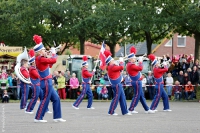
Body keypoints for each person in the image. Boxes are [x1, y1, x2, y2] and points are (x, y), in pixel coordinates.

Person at [33, 34, 66, 123]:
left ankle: (57, 117)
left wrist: (50, 54)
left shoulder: (42, 58)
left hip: (47, 82)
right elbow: (54, 60)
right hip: (46, 82)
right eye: (43, 50)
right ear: (40, 51)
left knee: (56, 98)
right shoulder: (40, 58)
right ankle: (38, 117)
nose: (45, 51)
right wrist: (54, 53)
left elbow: (50, 64)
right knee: (45, 100)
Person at [126, 47, 154, 114]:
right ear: (130, 59)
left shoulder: (131, 64)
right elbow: (140, 68)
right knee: (137, 96)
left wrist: (138, 61)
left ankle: (147, 109)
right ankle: (131, 109)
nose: (135, 59)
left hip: (137, 81)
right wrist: (140, 61)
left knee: (141, 96)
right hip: (136, 82)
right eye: (134, 58)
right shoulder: (131, 65)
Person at [104, 50, 131, 116]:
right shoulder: (111, 67)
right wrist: (121, 62)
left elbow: (120, 69)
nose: (114, 61)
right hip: (116, 84)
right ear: (110, 62)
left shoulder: (112, 66)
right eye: (112, 60)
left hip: (118, 84)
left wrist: (120, 63)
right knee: (116, 98)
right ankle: (111, 111)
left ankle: (125, 111)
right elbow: (121, 67)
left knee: (123, 97)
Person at [25, 49, 52, 114]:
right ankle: (29, 109)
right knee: (35, 97)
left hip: (38, 84)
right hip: (35, 84)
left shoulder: (35, 68)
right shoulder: (32, 68)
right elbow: (38, 76)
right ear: (33, 62)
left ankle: (45, 109)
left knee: (43, 97)